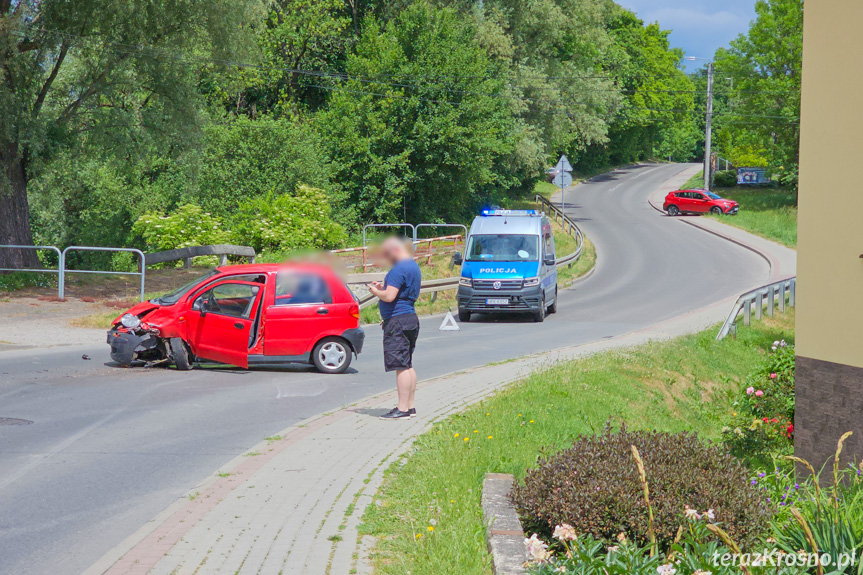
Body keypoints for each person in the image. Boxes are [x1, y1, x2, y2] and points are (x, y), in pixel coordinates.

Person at [367, 236, 422, 420]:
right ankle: (411, 406)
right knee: (407, 364)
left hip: (397, 321)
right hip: (410, 319)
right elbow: (400, 292)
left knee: (400, 366)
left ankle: (402, 408)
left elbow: (389, 297)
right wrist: (384, 287)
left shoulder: (398, 269)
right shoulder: (413, 266)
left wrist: (376, 292)